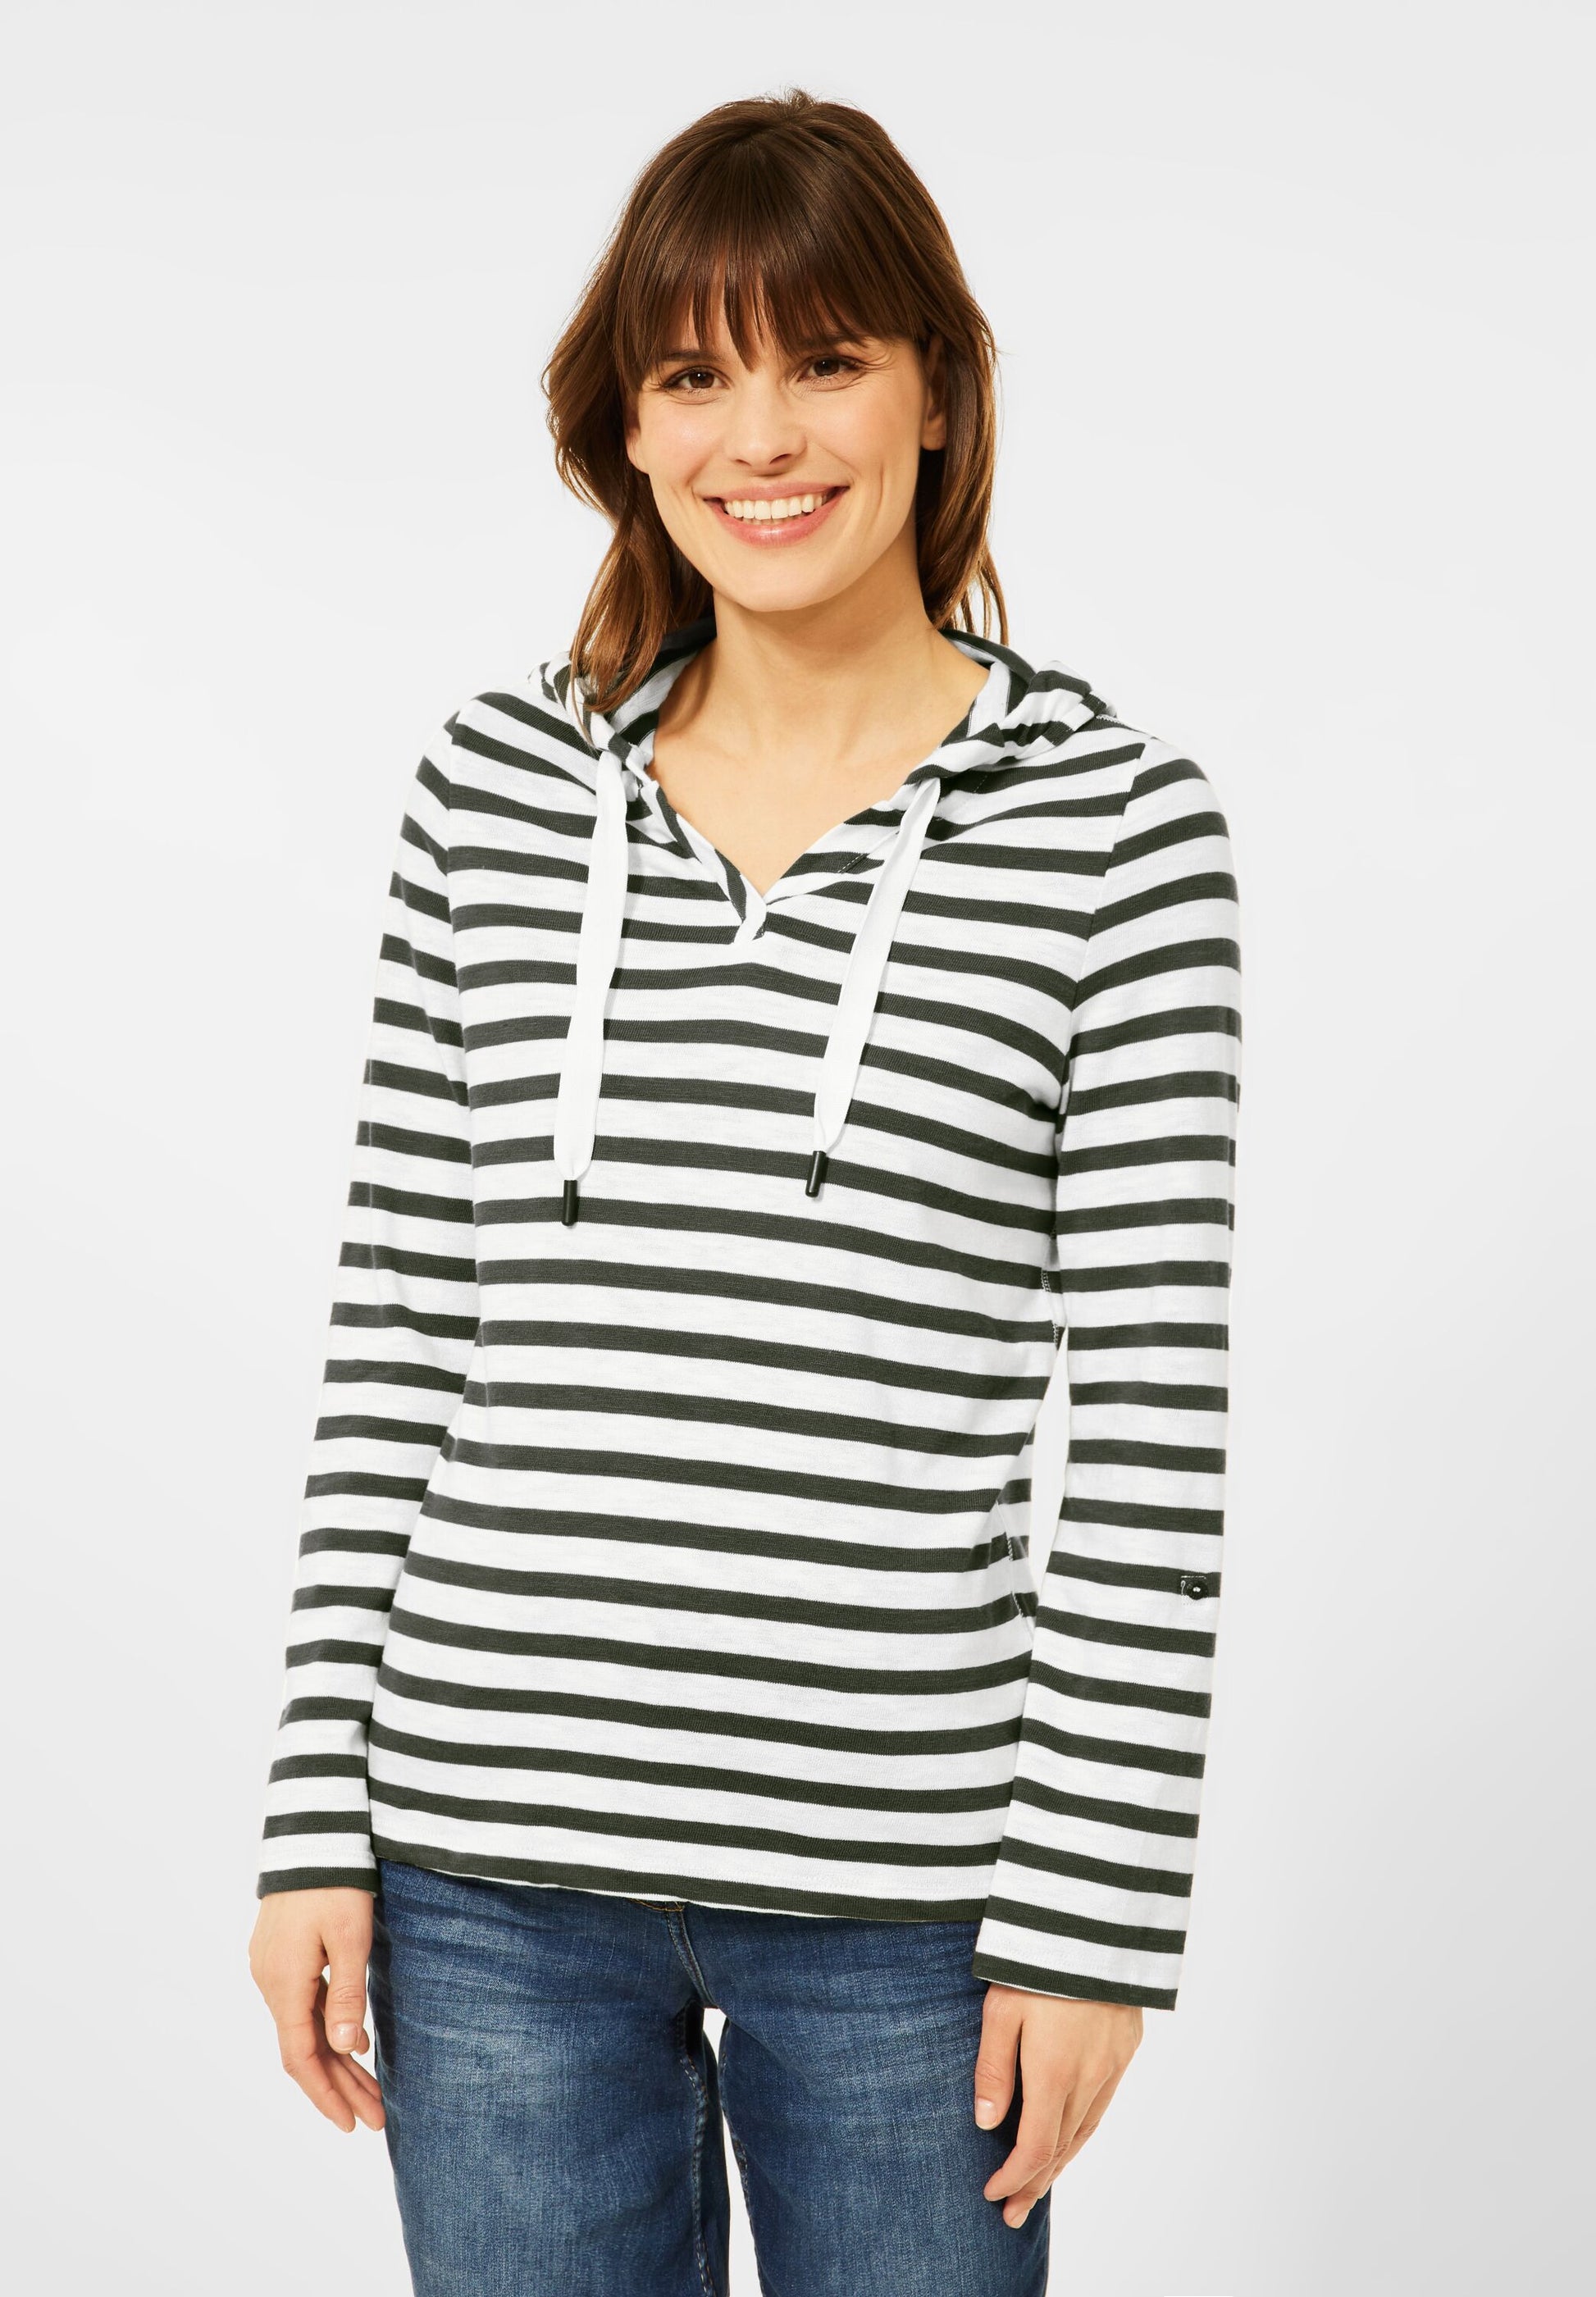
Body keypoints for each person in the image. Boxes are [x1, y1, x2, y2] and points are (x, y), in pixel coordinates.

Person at [248, 88, 1243, 2297]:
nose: (760, 437)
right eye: (692, 374)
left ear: (935, 393)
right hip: (484, 1873)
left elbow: (1150, 1413)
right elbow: (399, 1323)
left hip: (907, 1892)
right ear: (624, 425)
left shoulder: (1116, 826)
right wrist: (315, 1812)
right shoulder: (495, 794)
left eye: (825, 359)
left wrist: (1095, 1916)